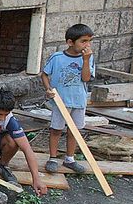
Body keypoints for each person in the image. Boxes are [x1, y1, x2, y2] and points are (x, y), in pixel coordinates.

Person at [40, 23, 95, 174]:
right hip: (60, 101)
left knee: (74, 131)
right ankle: (52, 158)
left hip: (78, 101)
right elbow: (44, 74)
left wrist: (85, 61)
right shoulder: (57, 57)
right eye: (83, 41)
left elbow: (86, 78)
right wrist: (48, 88)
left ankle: (69, 158)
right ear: (70, 42)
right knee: (56, 130)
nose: (87, 45)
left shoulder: (88, 58)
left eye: (89, 41)